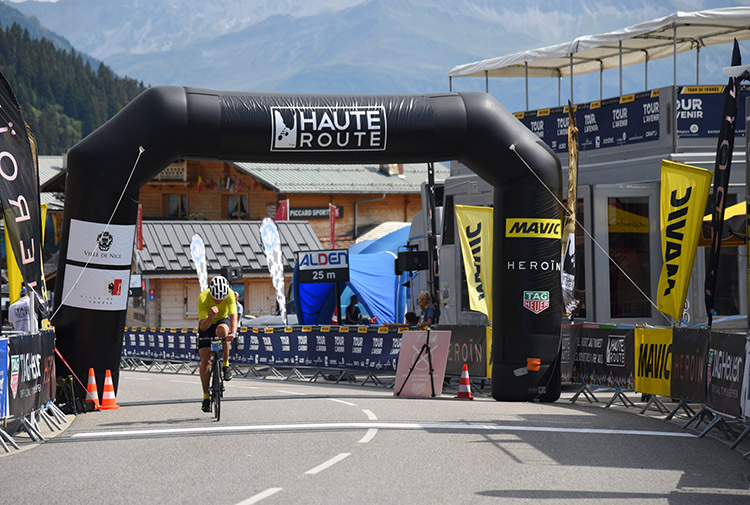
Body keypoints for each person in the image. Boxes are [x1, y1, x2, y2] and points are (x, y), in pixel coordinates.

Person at [197, 276, 237, 413]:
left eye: (221, 298)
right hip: (207, 323)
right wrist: (211, 317)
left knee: (223, 333)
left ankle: (226, 365)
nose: (219, 301)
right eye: (216, 298)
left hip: (222, 322)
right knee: (206, 360)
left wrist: (233, 333)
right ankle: (206, 397)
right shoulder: (203, 297)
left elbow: (233, 315)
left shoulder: (230, 294)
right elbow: (202, 327)